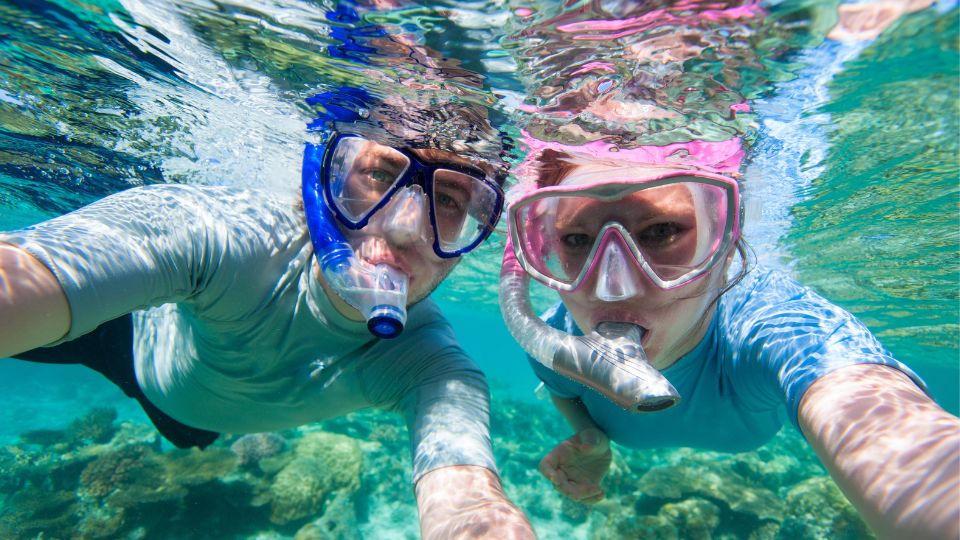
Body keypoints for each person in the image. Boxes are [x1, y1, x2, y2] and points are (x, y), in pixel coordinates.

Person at [0, 72, 536, 540]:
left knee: (190, 436)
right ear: (323, 177)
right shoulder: (217, 236)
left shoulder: (433, 366)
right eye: (377, 173)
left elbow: (467, 505)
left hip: (194, 422)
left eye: (448, 200)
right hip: (125, 342)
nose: (405, 229)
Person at [498, 1, 959, 539]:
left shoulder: (773, 326)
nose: (611, 286)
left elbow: (877, 418)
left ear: (726, 242)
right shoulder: (556, 334)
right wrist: (592, 441)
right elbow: (562, 386)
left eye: (662, 232)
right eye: (576, 240)